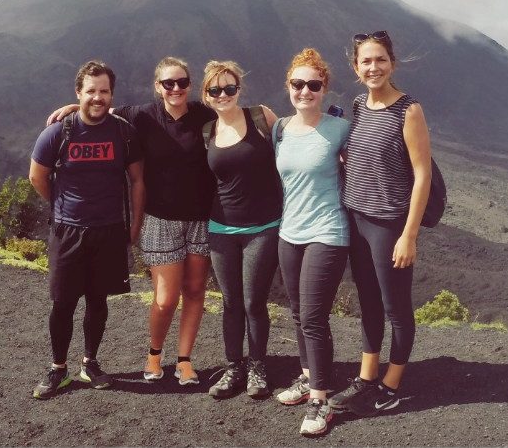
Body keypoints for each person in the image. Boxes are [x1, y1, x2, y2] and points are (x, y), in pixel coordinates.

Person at [48, 57, 216, 385]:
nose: (176, 89)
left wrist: (267, 116)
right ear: (158, 87)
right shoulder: (142, 116)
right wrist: (75, 105)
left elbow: (234, 113)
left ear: (190, 85)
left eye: (182, 82)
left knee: (195, 291)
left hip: (201, 218)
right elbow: (101, 110)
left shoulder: (203, 114)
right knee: (166, 298)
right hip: (160, 219)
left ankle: (184, 361)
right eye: (168, 83)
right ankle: (154, 355)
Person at [328, 31, 432, 417]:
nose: (373, 67)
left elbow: (421, 175)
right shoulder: (358, 104)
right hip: (356, 218)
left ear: (393, 63)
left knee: (397, 308)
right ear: (356, 68)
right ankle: (367, 375)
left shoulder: (409, 110)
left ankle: (392, 383)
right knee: (368, 302)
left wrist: (409, 234)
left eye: (380, 60)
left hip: (389, 224)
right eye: (366, 61)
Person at [29, 60, 145, 399]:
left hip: (109, 229)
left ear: (112, 94)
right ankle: (58, 369)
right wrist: (63, 205)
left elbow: (137, 180)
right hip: (69, 230)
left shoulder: (124, 132)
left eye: (104, 91)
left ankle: (89, 362)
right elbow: (37, 176)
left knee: (98, 300)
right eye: (91, 91)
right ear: (78, 93)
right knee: (63, 302)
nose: (98, 97)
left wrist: (134, 225)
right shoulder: (58, 132)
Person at [272, 48, 350, 436]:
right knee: (299, 314)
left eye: (313, 85)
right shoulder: (281, 128)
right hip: (290, 232)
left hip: (327, 232)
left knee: (315, 318)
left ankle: (321, 399)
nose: (305, 90)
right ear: (288, 87)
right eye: (298, 84)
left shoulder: (340, 129)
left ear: (324, 89)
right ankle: (307, 377)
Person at [199, 60, 280, 399]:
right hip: (221, 228)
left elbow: (294, 148)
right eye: (215, 90)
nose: (223, 94)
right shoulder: (207, 131)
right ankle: (234, 367)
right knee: (231, 302)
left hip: (263, 227)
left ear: (239, 89)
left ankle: (257, 366)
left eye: (229, 88)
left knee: (253, 302)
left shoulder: (261, 117)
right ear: (206, 95)